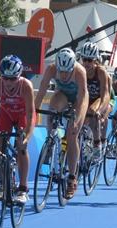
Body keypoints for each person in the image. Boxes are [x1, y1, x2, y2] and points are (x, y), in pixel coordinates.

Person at [35, 48, 89, 199]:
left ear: (73, 66)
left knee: (72, 134)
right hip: (63, 95)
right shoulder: (51, 69)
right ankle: (51, 142)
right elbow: (41, 92)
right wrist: (33, 112)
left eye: (67, 71)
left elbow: (83, 97)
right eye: (62, 71)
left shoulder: (80, 71)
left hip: (79, 98)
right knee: (52, 111)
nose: (64, 75)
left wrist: (77, 120)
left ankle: (72, 177)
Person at [0, 55, 35, 203]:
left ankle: (23, 188)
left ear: (19, 76)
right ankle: (1, 184)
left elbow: (31, 114)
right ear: (0, 76)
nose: (9, 82)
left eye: (13, 79)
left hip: (22, 115)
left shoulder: (26, 86)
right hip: (6, 114)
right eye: (5, 78)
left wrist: (27, 137)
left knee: (21, 147)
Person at [79, 41, 111, 160]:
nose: (86, 63)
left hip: (100, 97)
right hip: (88, 97)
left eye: (90, 60)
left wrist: (100, 109)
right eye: (84, 59)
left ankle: (97, 144)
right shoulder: (80, 70)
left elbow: (105, 95)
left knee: (94, 112)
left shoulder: (101, 71)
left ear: (95, 60)